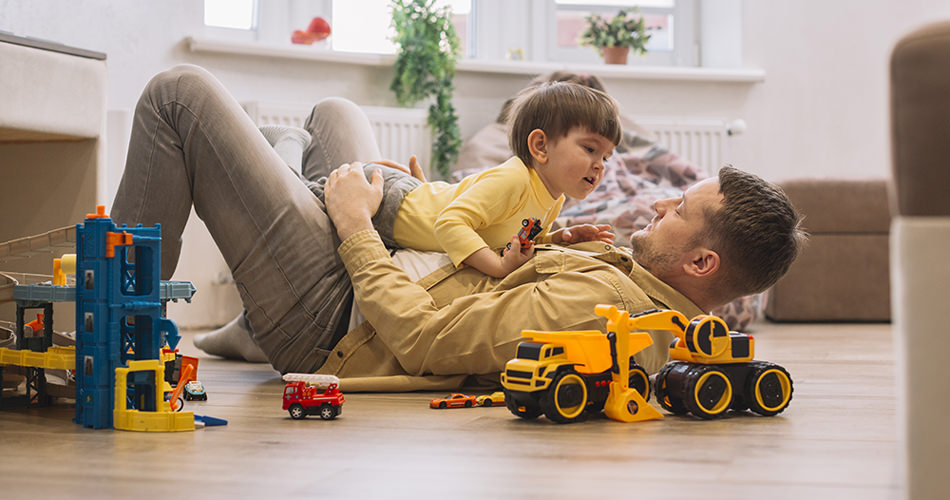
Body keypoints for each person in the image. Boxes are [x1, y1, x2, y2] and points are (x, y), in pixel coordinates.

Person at [113, 65, 805, 391]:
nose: (659, 207)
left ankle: (113, 320)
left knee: (179, 96)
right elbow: (502, 258)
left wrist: (358, 227)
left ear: (703, 265)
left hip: (340, 325)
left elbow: (420, 341)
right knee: (335, 112)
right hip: (404, 272)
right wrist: (438, 203)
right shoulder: (640, 286)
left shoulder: (604, 313)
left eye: (679, 212)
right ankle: (281, 192)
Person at [307, 81, 620, 279]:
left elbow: (516, 241)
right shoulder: (513, 180)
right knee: (310, 199)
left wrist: (559, 239)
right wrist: (497, 269)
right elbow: (449, 223)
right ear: (540, 146)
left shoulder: (555, 197)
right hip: (393, 205)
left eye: (606, 156)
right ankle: (287, 146)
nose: (600, 166)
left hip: (415, 203)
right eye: (590, 149)